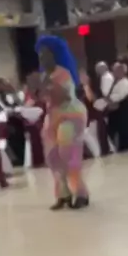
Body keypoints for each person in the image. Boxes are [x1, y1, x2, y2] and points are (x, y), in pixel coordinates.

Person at [36, 35, 89, 210]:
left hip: (71, 115)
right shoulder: (44, 76)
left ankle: (80, 193)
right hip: (53, 117)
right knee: (52, 157)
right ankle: (63, 194)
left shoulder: (63, 73)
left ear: (54, 55)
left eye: (45, 54)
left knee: (68, 154)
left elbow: (64, 97)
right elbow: (41, 98)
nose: (42, 58)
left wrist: (48, 84)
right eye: (40, 54)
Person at [107, 62, 128, 152]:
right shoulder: (117, 82)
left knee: (127, 131)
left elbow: (120, 96)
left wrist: (109, 100)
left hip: (127, 110)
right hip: (123, 109)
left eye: (115, 71)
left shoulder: (125, 83)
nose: (113, 74)